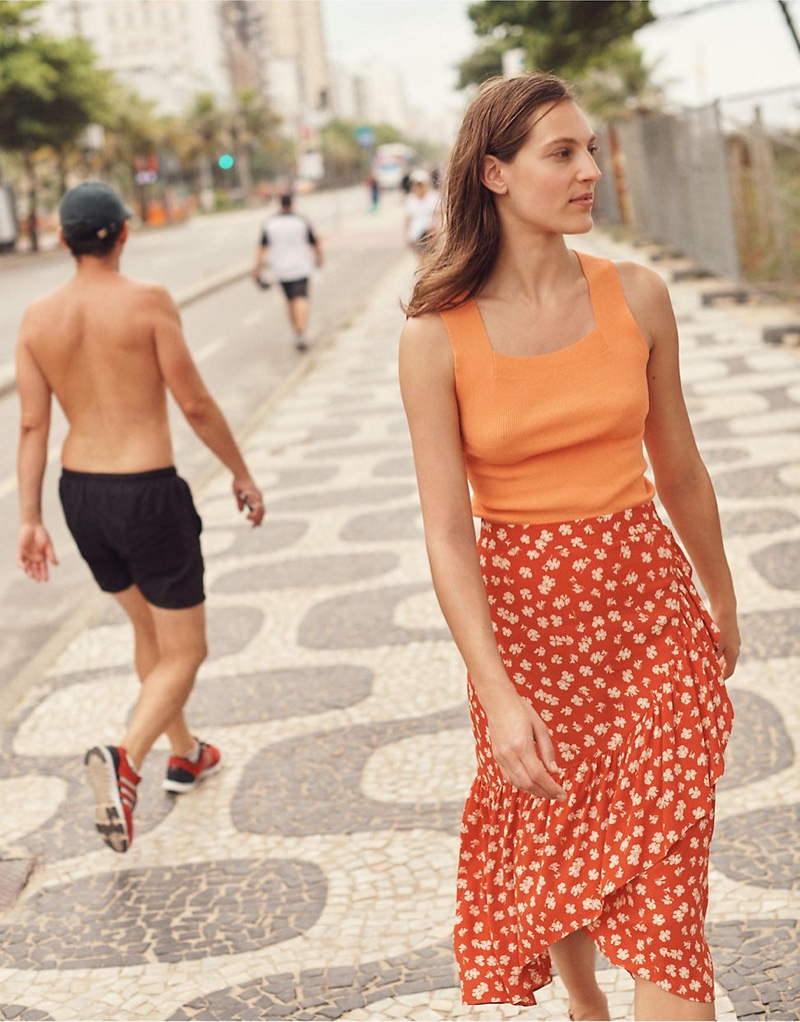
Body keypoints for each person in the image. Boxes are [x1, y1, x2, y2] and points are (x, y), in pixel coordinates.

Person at [398, 74, 739, 1022]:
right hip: (527, 633)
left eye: (590, 150)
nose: (591, 170)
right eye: (564, 153)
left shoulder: (640, 294)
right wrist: (499, 696)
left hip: (651, 614)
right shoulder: (436, 336)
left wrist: (721, 598)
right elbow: (446, 532)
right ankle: (586, 1002)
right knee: (558, 831)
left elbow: (681, 469)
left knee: (669, 894)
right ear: (496, 173)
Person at [16, 181, 265, 855]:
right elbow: (196, 404)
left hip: (80, 495)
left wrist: (29, 519)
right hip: (147, 491)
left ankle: (185, 753)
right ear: (124, 233)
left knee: (149, 631)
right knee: (187, 648)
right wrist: (240, 472)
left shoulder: (37, 317)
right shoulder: (148, 302)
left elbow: (33, 422)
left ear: (65, 241)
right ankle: (126, 758)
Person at [252, 193, 323, 352]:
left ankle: (297, 331)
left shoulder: (270, 223)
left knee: (290, 301)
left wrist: (256, 269)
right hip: (301, 267)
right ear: (292, 203)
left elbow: (262, 248)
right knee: (302, 299)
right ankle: (300, 330)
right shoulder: (301, 221)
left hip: (280, 270)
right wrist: (319, 258)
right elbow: (314, 243)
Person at [403, 169, 440, 257]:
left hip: (432, 233)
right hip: (416, 233)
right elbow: (408, 219)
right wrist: (406, 236)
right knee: (421, 257)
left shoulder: (433, 197)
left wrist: (436, 227)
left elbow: (439, 214)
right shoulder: (410, 200)